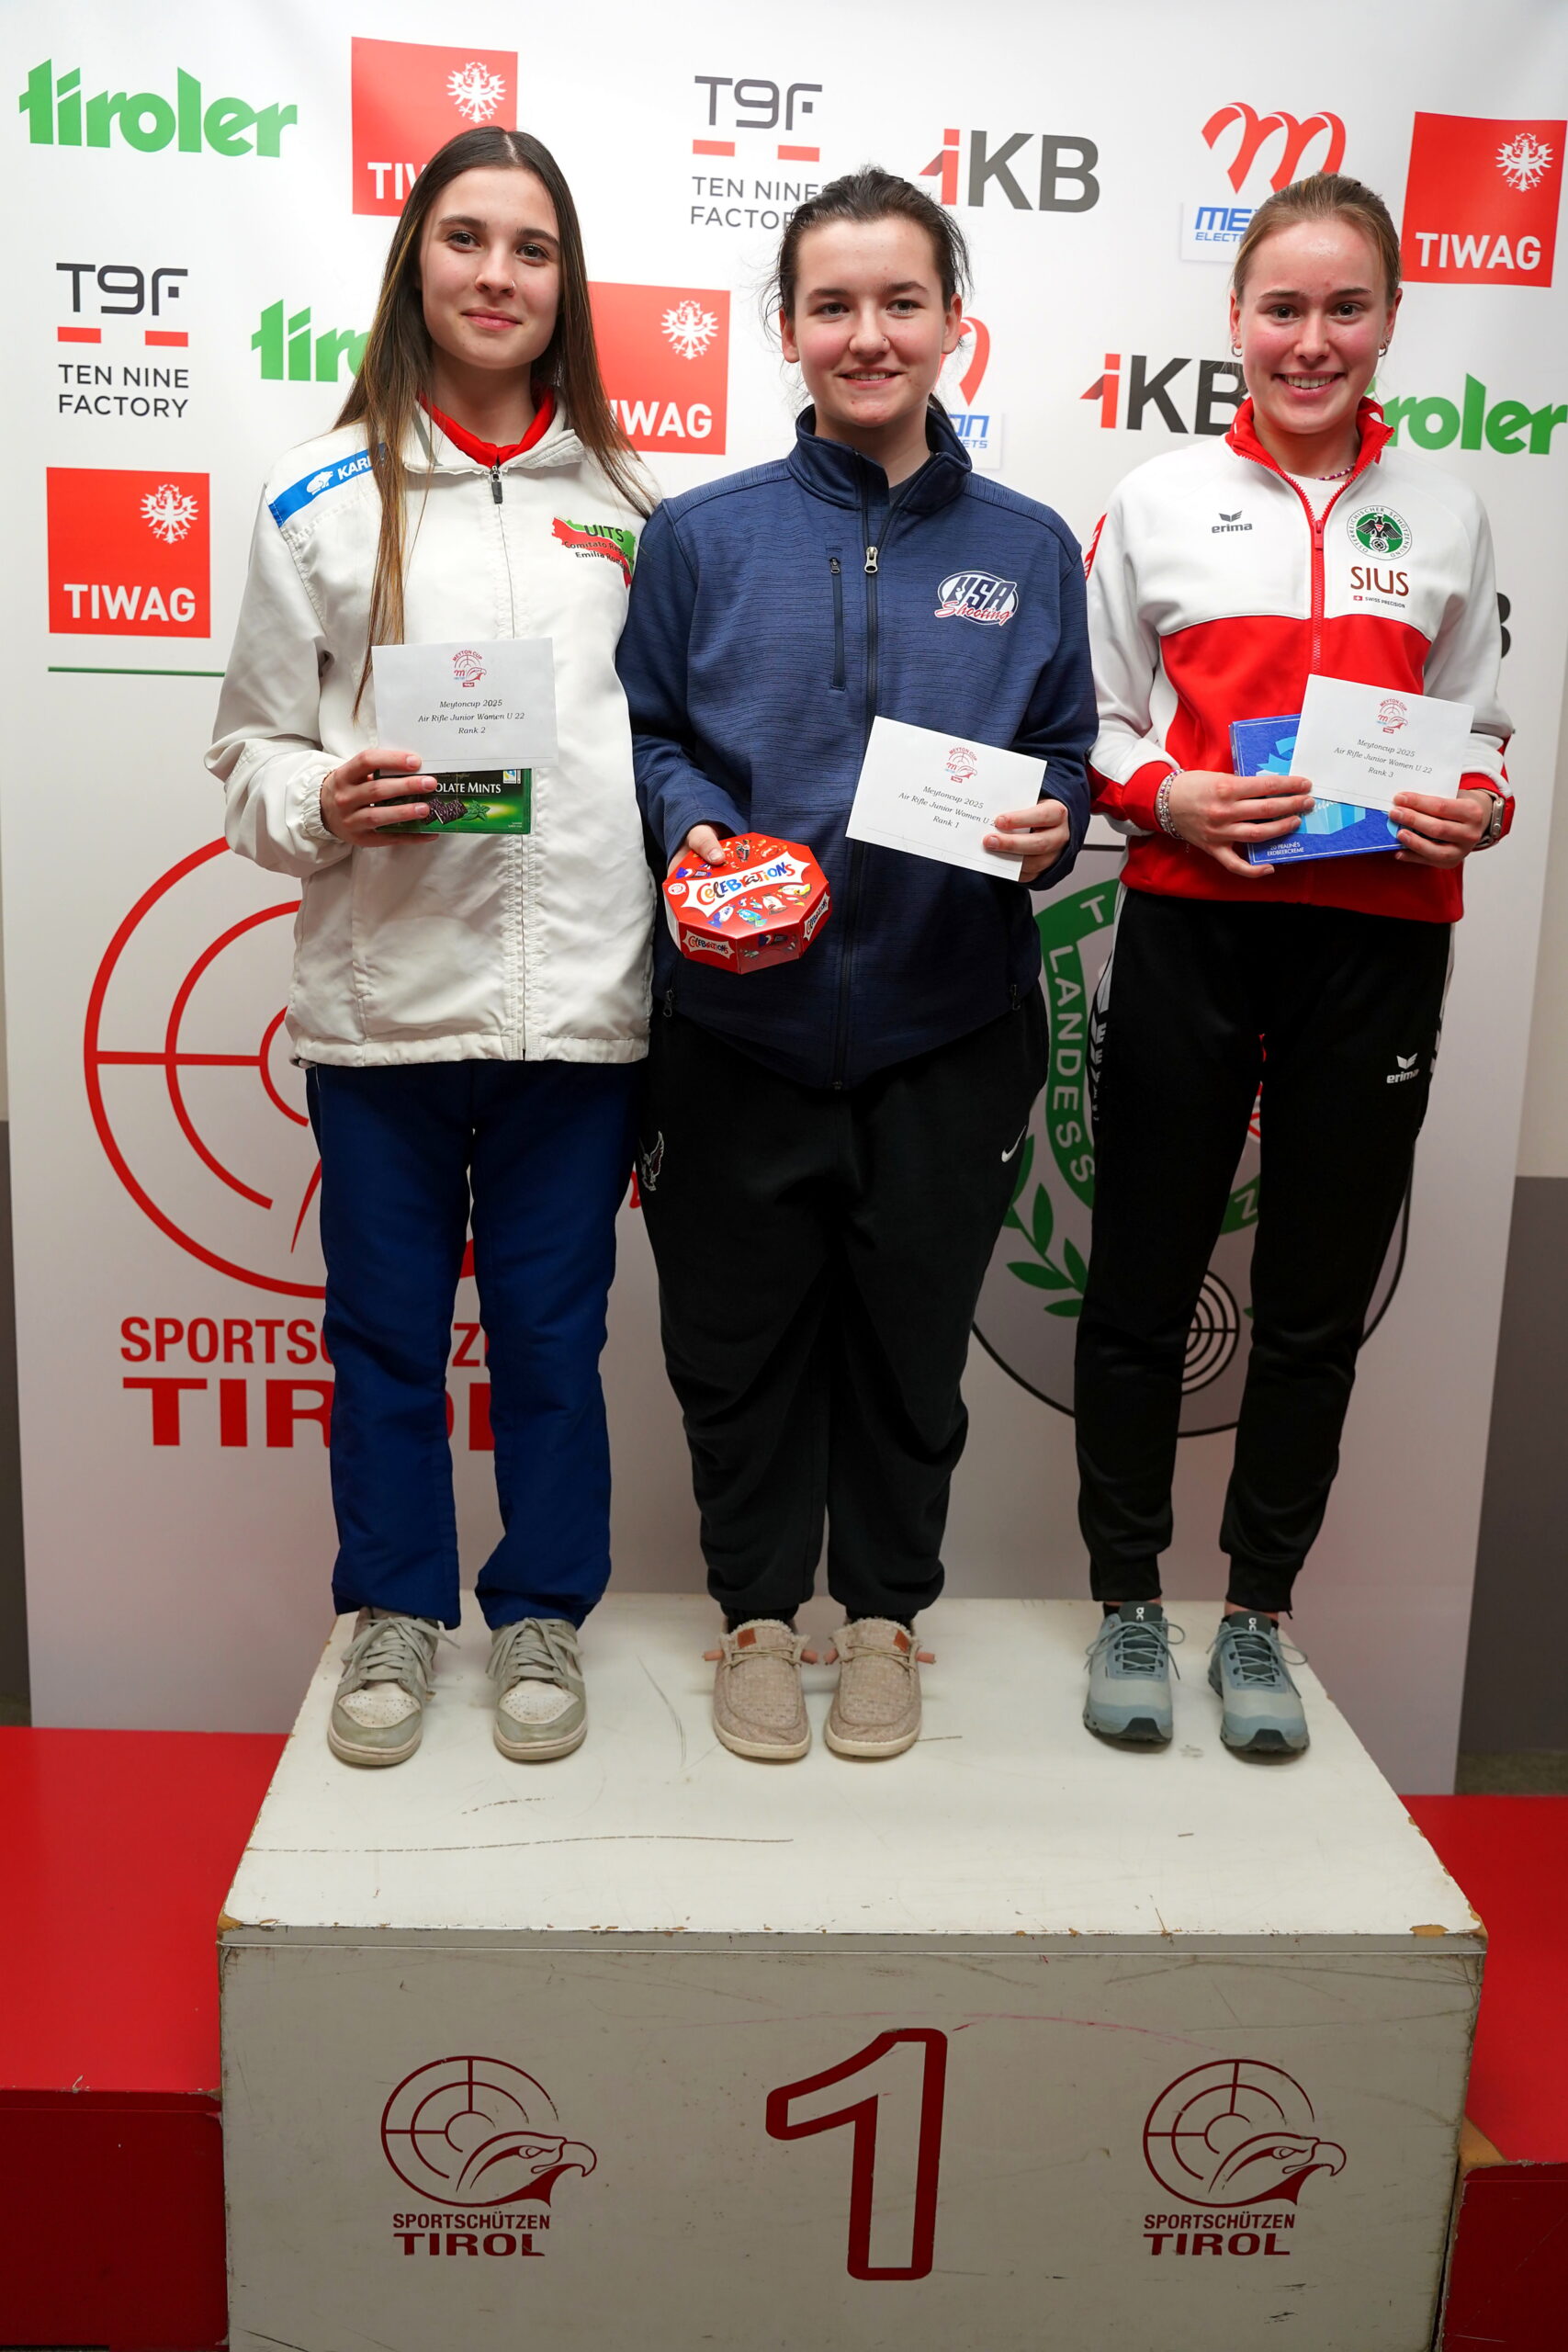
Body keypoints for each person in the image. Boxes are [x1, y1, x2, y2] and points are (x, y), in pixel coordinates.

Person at [618, 168, 1095, 1764]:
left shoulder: (1029, 544)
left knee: (910, 1351)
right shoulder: (701, 536)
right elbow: (649, 732)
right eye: (834, 305)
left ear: (955, 323)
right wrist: (691, 824)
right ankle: (758, 1617)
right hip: (736, 1030)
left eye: (903, 301)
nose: (869, 334)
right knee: (733, 1349)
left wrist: (1056, 819)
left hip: (947, 1027)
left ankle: (888, 1620)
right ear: (788, 328)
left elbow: (1067, 749)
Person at [208, 128, 654, 1768]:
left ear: (566, 283)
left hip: (581, 1013)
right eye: (466, 238)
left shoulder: (630, 506)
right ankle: (392, 1609)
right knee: (387, 1342)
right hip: (384, 1011)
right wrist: (325, 797)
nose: (496, 274)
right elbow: (249, 755)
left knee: (552, 1346)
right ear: (417, 263)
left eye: (532, 248)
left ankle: (542, 1614)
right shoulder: (318, 492)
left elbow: (667, 754)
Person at [1077, 171, 1512, 1756]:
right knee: (1141, 1281)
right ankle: (1129, 1598)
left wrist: (1478, 806)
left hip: (1380, 941)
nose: (1311, 340)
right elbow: (1095, 724)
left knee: (1315, 1300)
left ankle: (1258, 1615)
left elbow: (1483, 733)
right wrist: (1166, 795)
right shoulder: (1158, 498)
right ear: (1236, 320)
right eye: (1283, 308)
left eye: (1344, 308)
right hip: (1196, 922)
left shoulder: (1448, 512)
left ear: (1389, 320)